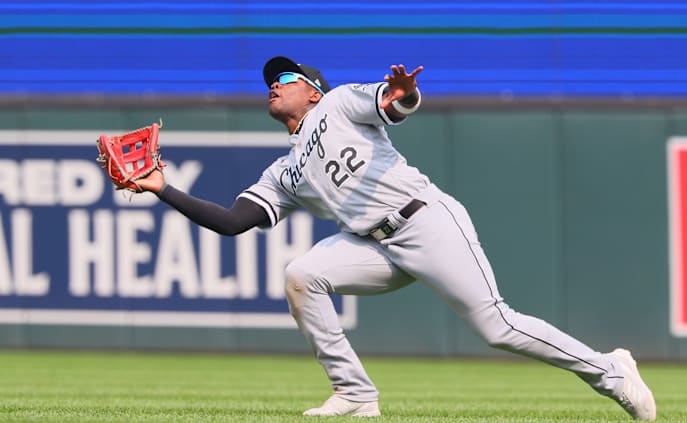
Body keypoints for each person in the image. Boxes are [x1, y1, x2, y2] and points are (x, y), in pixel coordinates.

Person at [133, 56, 657, 420]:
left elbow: (392, 103)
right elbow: (232, 221)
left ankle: (610, 370)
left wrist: (405, 92)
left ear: (311, 89)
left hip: (425, 221)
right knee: (302, 275)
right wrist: (161, 187)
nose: (274, 84)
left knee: (496, 326)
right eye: (270, 81)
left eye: (286, 77)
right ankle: (354, 394)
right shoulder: (282, 172)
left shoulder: (335, 104)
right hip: (372, 245)